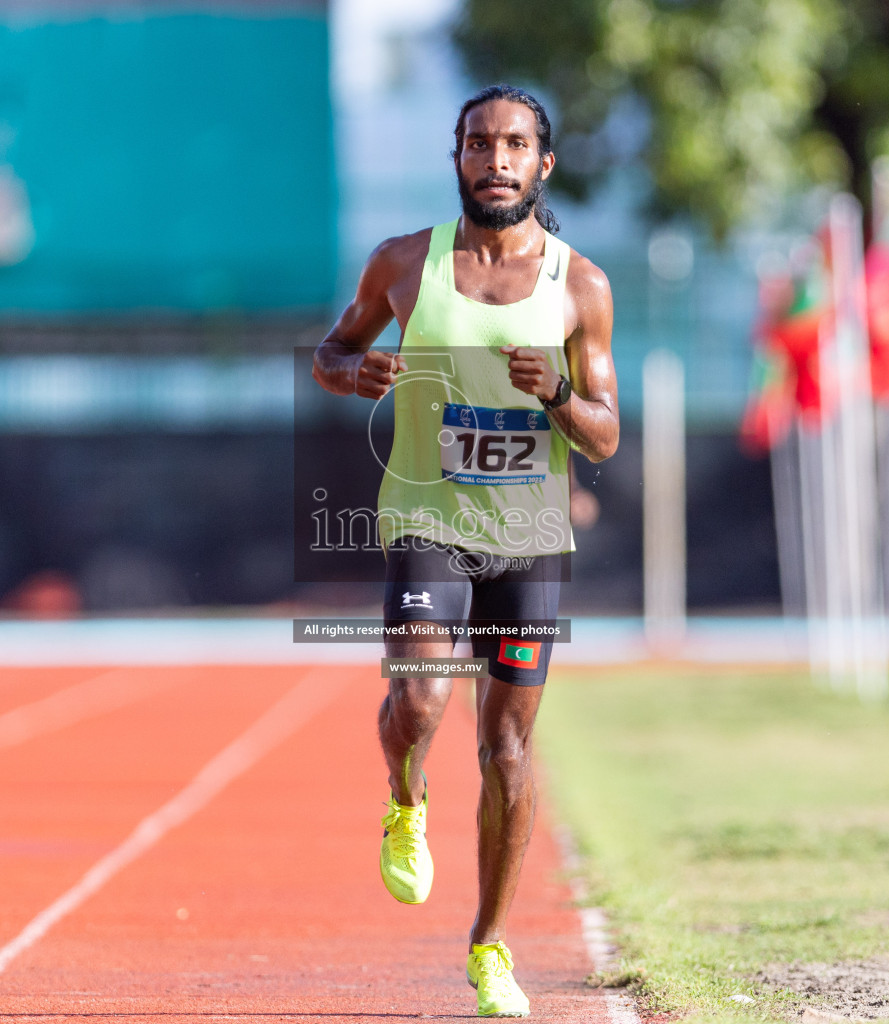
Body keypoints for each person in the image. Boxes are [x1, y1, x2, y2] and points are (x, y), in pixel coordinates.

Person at [311, 84, 619, 1017]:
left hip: (528, 536)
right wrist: (351, 370)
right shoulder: (404, 263)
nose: (497, 160)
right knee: (417, 701)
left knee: (509, 751)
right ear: (456, 157)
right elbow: (331, 350)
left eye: (515, 145)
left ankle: (490, 946)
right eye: (480, 144)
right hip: (427, 519)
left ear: (542, 164)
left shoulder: (583, 285)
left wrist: (559, 394)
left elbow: (603, 437)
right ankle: (405, 799)